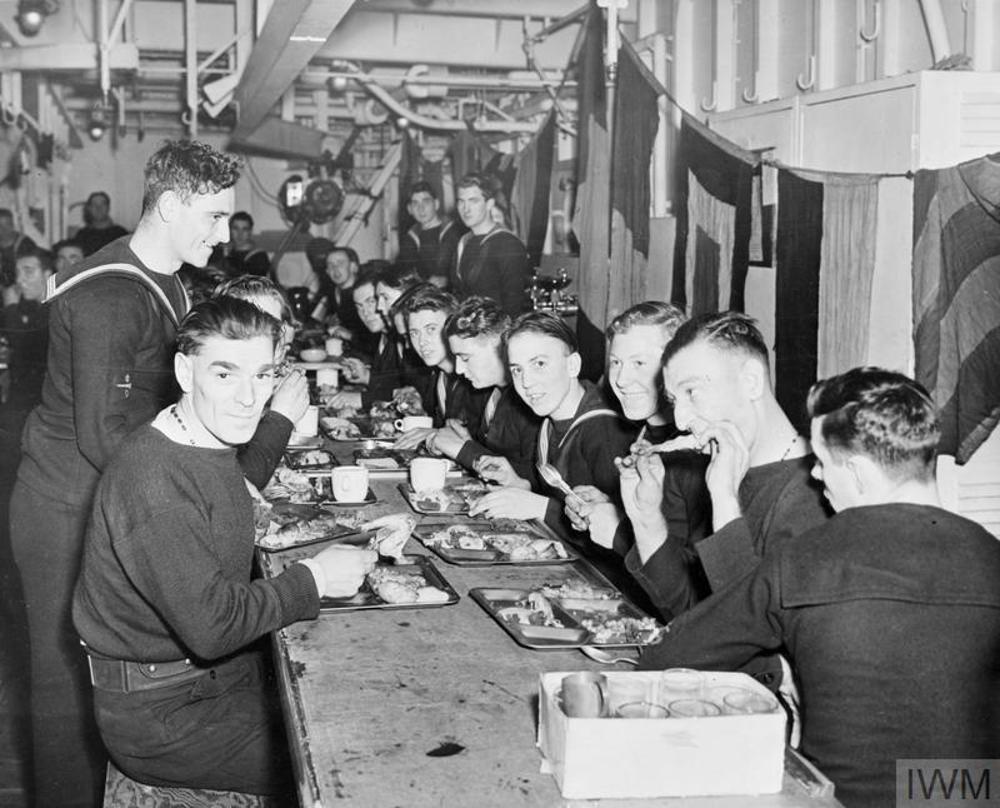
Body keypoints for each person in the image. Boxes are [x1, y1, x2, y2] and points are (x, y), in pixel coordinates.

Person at [9, 140, 304, 808]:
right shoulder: (112, 295)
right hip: (65, 512)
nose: (223, 234)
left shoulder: (163, 276)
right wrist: (211, 492)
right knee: (64, 695)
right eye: (213, 216)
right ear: (170, 205)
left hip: (107, 499)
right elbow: (104, 436)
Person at [637, 367, 1000, 808]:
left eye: (823, 462)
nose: (814, 474)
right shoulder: (992, 557)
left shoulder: (804, 560)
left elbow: (669, 656)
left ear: (859, 473)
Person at [73, 296, 377, 798]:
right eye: (224, 374)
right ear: (185, 372)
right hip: (164, 717)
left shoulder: (199, 441)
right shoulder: (153, 476)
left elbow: (227, 498)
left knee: (365, 688)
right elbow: (213, 627)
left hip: (208, 678)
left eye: (263, 376)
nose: (248, 398)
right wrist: (315, 578)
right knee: (355, 762)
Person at [565, 302, 712, 620]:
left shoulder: (698, 455)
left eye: (639, 363)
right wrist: (611, 507)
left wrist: (619, 532)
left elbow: (701, 597)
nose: (620, 379)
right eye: (616, 362)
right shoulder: (643, 433)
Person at [470, 311, 635, 553]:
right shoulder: (550, 420)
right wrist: (519, 482)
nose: (526, 382)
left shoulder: (604, 431)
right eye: (517, 370)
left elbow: (624, 544)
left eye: (539, 364)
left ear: (573, 365)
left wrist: (540, 507)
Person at [430, 296, 540, 481]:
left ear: (500, 347)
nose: (458, 369)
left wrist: (465, 451)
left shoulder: (531, 397)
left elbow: (538, 480)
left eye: (465, 358)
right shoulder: (493, 393)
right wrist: (468, 441)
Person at [395, 285, 491, 451]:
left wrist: (436, 433)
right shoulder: (440, 376)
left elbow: (486, 446)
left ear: (451, 327)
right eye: (414, 333)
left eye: (431, 329)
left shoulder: (476, 378)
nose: (422, 342)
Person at [451, 173, 532, 316]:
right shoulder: (463, 242)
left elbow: (514, 308)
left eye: (473, 201)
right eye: (461, 201)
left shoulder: (508, 244)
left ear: (489, 204)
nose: (466, 209)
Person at [397, 180, 459, 288]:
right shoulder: (409, 239)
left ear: (436, 204)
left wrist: (447, 280)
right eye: (415, 203)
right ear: (409, 209)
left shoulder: (454, 232)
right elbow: (405, 274)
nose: (421, 208)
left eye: (426, 202)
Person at [214, 211, 270, 277]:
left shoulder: (259, 257)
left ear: (250, 231)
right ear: (229, 230)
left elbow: (254, 281)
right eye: (235, 228)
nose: (240, 234)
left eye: (245, 229)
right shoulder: (224, 251)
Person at [74, 191, 129, 256]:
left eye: (103, 204)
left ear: (108, 208)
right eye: (94, 204)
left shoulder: (121, 233)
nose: (98, 208)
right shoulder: (82, 235)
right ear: (89, 208)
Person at [0, 207, 37, 288]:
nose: (4, 229)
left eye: (7, 225)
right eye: (0, 226)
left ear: (13, 225)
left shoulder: (25, 244)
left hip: (22, 286)